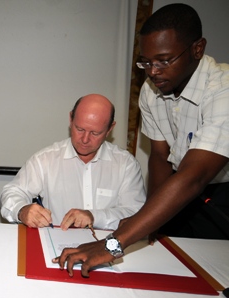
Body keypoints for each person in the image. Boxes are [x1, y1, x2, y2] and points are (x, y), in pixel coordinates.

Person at [55, 3, 229, 278]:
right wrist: (148, 222)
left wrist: (113, 243)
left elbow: (194, 176)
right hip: (177, 191)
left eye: (163, 60)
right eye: (146, 61)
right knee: (169, 272)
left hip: (220, 197)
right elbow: (160, 156)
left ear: (198, 48)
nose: (152, 71)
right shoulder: (152, 91)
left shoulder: (224, 89)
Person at [0, 94, 146, 230]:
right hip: (58, 245)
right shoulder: (46, 159)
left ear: (110, 129)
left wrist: (95, 216)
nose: (85, 139)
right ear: (70, 119)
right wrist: (22, 210)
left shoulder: (126, 165)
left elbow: (137, 213)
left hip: (109, 247)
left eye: (95, 133)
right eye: (79, 129)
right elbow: (12, 192)